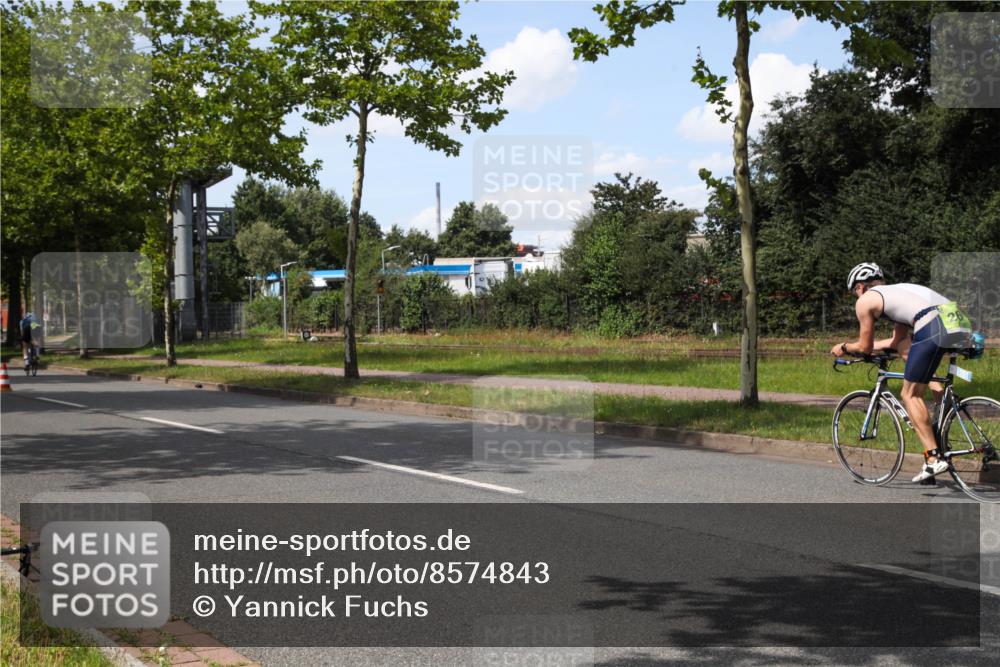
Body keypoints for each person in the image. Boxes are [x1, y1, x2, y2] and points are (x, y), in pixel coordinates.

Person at [831, 262, 972, 483]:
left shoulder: (865, 301)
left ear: (859, 287)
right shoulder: (899, 291)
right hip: (957, 320)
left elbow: (865, 347)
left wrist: (846, 347)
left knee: (910, 395)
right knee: (927, 383)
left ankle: (934, 458)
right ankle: (939, 430)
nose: (856, 297)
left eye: (854, 293)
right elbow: (899, 343)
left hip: (933, 323)